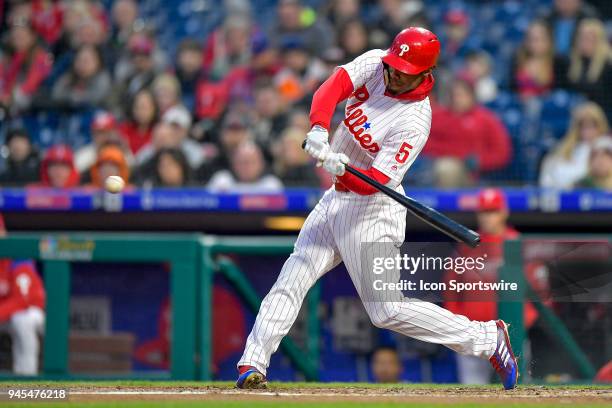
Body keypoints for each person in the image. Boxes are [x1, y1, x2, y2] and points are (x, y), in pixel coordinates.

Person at [236, 27, 518, 391]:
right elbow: (332, 86)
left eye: (403, 69)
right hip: (336, 199)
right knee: (295, 273)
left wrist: (343, 168)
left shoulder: (415, 121)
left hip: (372, 210)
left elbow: (377, 180)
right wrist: (320, 128)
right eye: (394, 63)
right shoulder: (377, 63)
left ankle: (486, 338)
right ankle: (252, 363)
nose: (393, 71)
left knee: (386, 311)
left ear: (423, 73)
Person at [443, 189, 537, 385]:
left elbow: (539, 290)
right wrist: (458, 322)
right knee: (472, 389)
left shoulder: (517, 243)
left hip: (510, 335)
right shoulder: (468, 243)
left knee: (517, 390)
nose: (487, 217)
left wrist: (520, 324)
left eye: (493, 211)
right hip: (473, 332)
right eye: (484, 211)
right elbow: (451, 287)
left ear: (504, 212)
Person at [424, 77, 512, 180]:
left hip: (474, 174)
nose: (456, 99)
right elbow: (423, 143)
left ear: (471, 96)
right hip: (435, 163)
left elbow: (502, 152)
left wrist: (480, 161)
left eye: (461, 95)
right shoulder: (438, 116)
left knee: (446, 168)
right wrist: (454, 154)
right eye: (454, 95)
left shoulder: (486, 119)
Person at [0, 214, 46, 375]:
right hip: (5, 315)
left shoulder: (16, 254)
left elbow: (22, 301)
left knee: (22, 320)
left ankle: (26, 377)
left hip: (31, 311)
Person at [540, 102, 609, 189]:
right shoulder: (565, 148)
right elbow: (549, 176)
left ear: (600, 125)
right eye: (582, 126)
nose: (587, 131)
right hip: (565, 195)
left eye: (592, 126)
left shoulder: (606, 147)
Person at [0, 18, 52, 114]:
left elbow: (31, 84)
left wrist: (10, 97)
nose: (17, 40)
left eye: (21, 36)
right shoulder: (16, 56)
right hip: (13, 103)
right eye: (15, 37)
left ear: (32, 36)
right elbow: (6, 80)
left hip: (34, 107)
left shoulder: (42, 58)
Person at [565, 19, 612, 120]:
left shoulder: (608, 65)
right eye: (582, 38)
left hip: (601, 119)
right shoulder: (570, 62)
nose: (584, 42)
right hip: (576, 117)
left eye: (589, 38)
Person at [510, 20, 567, 100]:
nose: (534, 43)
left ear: (549, 41)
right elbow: (511, 89)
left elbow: (561, 93)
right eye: (531, 39)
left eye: (539, 39)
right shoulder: (517, 60)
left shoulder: (558, 62)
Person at [50, 44, 112, 109]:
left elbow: (96, 98)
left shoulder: (102, 78)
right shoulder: (70, 76)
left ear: (98, 62)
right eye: (79, 60)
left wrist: (75, 97)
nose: (82, 64)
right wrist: (72, 96)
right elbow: (56, 94)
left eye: (86, 61)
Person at [207, 141, 283, 193]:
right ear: (234, 163)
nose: (247, 167)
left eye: (252, 162)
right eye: (242, 162)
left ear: (261, 164)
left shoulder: (271, 185)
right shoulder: (222, 181)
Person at [118, 89, 159, 155]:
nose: (141, 112)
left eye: (145, 107)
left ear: (154, 108)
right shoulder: (124, 129)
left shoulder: (159, 131)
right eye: (138, 107)